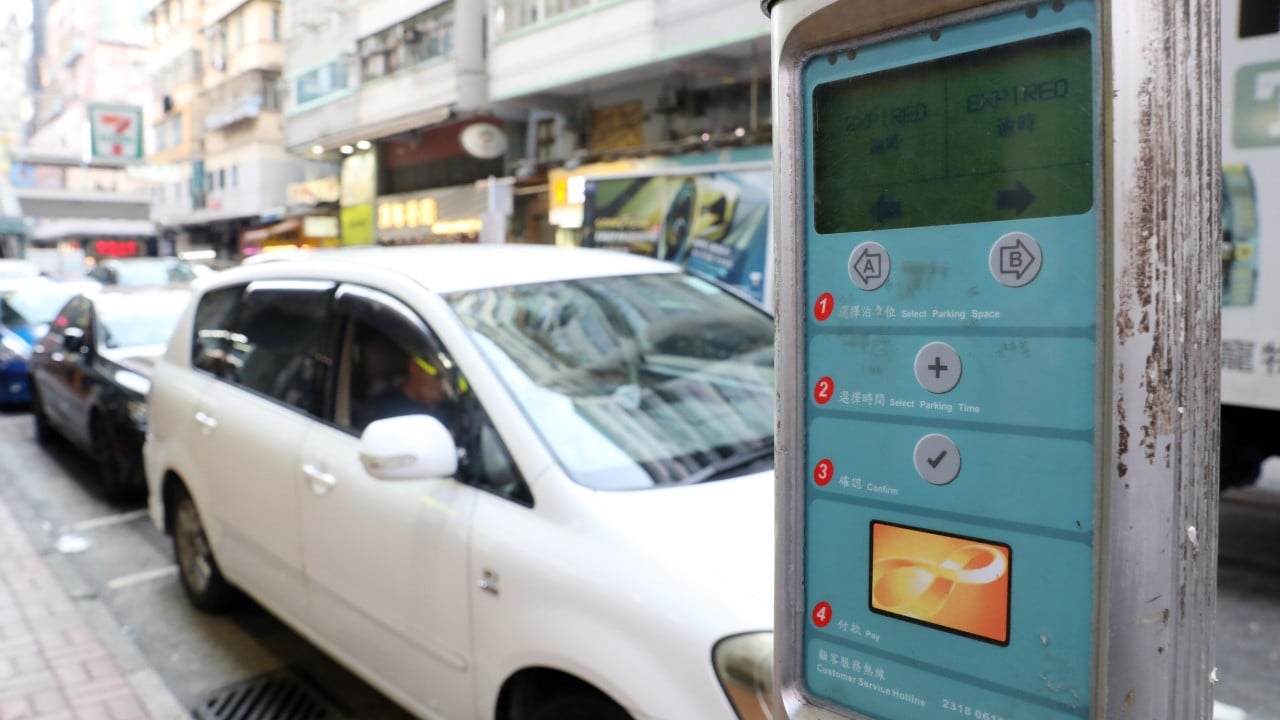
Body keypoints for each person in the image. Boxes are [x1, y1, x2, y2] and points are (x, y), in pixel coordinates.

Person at [354, 352, 456, 433]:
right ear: (414, 366)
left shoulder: (452, 410)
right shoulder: (379, 413)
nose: (444, 387)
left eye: (449, 380)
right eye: (437, 376)